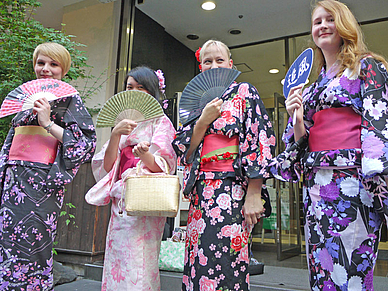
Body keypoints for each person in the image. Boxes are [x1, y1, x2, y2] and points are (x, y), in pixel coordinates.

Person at [267, 1, 388, 289]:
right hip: (317, 187)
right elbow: (301, 141)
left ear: (344, 24)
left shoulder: (368, 66)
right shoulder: (312, 85)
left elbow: (379, 119)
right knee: (321, 268)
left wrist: (376, 174)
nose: (322, 25)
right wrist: (296, 119)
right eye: (317, 21)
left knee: (351, 268)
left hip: (353, 181)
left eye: (330, 19)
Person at [172, 40, 275, 290]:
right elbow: (184, 151)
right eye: (207, 61)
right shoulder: (197, 99)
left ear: (231, 64)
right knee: (197, 260)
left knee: (229, 261)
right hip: (201, 193)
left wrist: (253, 194)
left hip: (233, 192)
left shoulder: (244, 92)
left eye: (220, 60)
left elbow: (259, 139)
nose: (214, 65)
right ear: (200, 68)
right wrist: (202, 122)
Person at [0, 42, 96, 290]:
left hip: (41, 184)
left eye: (53, 64)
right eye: (41, 63)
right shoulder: (24, 101)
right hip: (13, 182)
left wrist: (47, 123)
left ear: (63, 70)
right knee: (6, 243)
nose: (46, 69)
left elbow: (85, 144)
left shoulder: (69, 100)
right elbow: (10, 145)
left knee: (34, 244)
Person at [85, 66, 177, 291]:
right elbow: (108, 167)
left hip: (145, 198)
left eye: (141, 88)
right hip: (121, 200)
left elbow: (164, 165)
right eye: (130, 87)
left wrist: (144, 155)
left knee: (140, 261)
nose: (134, 92)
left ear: (153, 91)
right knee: (118, 258)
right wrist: (116, 133)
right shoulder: (123, 122)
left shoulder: (161, 122)